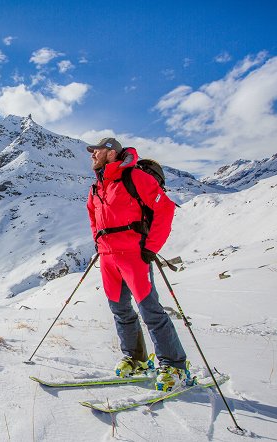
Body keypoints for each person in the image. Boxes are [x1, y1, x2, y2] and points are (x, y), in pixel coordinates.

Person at [85, 137, 188, 391]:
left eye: (95, 150)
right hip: (108, 258)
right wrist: (99, 244)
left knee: (151, 311)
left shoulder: (136, 178)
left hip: (133, 255)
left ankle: (174, 366)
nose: (91, 155)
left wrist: (151, 247)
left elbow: (164, 208)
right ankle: (136, 359)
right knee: (120, 310)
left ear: (110, 152)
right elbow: (93, 216)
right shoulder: (97, 187)